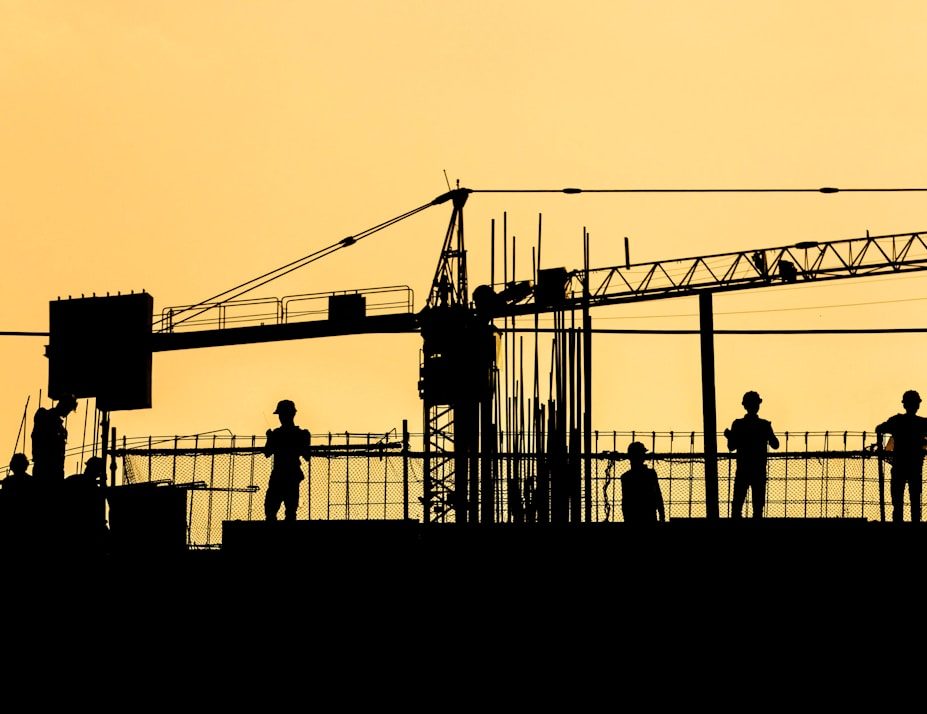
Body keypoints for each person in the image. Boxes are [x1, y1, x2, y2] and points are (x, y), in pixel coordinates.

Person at [724, 390, 779, 519]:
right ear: (758, 405)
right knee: (758, 508)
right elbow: (775, 444)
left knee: (737, 506)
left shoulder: (738, 424)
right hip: (759, 469)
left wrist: (730, 436)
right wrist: (767, 434)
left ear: (744, 405)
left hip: (743, 469)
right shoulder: (764, 425)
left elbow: (731, 447)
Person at [875, 390, 927, 523]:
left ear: (905, 405)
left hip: (899, 465)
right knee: (915, 499)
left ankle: (897, 523)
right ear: (917, 405)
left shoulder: (897, 421)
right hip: (915, 467)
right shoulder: (922, 423)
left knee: (897, 500)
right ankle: (915, 522)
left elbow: (879, 428)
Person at [262, 399, 311, 521]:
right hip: (288, 476)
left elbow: (267, 453)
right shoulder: (300, 434)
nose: (281, 417)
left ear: (290, 414)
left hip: (283, 476)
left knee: (279, 510)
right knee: (281, 510)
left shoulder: (279, 434)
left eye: (282, 414)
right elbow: (307, 456)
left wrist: (270, 438)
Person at [31, 393, 78, 482]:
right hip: (44, 467)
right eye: (68, 409)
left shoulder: (59, 425)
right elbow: (38, 436)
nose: (67, 413)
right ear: (62, 405)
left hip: (56, 468)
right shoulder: (44, 415)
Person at [620, 441, 665, 523]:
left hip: (633, 518)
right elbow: (658, 497)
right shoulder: (650, 474)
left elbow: (625, 503)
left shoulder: (626, 477)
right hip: (649, 517)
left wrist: (626, 519)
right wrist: (662, 516)